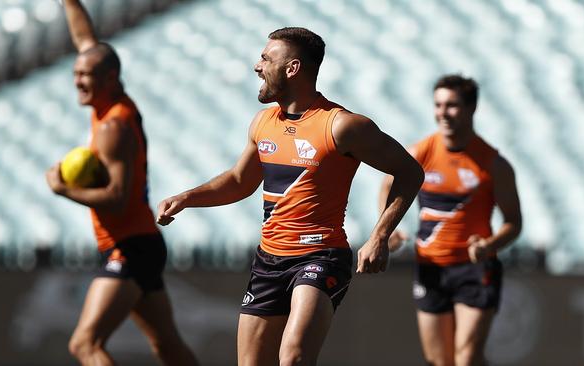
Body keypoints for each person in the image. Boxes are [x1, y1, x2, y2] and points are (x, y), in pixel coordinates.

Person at [156, 27, 424, 366]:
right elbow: (240, 181)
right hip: (268, 260)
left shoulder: (340, 125)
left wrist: (379, 236)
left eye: (266, 58)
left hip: (320, 255)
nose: (257, 65)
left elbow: (410, 171)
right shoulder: (263, 122)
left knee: (293, 356)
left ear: (292, 68)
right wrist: (186, 197)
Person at [45, 1, 198, 365]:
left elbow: (116, 197)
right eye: (76, 74)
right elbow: (86, 41)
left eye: (86, 76)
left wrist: (63, 190)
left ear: (110, 78)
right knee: (167, 345)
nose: (78, 81)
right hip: (136, 242)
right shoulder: (106, 96)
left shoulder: (114, 126)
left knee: (85, 344)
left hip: (128, 246)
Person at [380, 74, 522, 366]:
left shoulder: (494, 164)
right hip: (430, 267)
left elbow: (514, 223)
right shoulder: (421, 153)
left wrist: (488, 245)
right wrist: (385, 231)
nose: (442, 112)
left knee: (466, 357)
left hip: (475, 268)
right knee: (438, 360)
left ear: (471, 109)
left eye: (452, 105)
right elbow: (388, 183)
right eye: (438, 105)